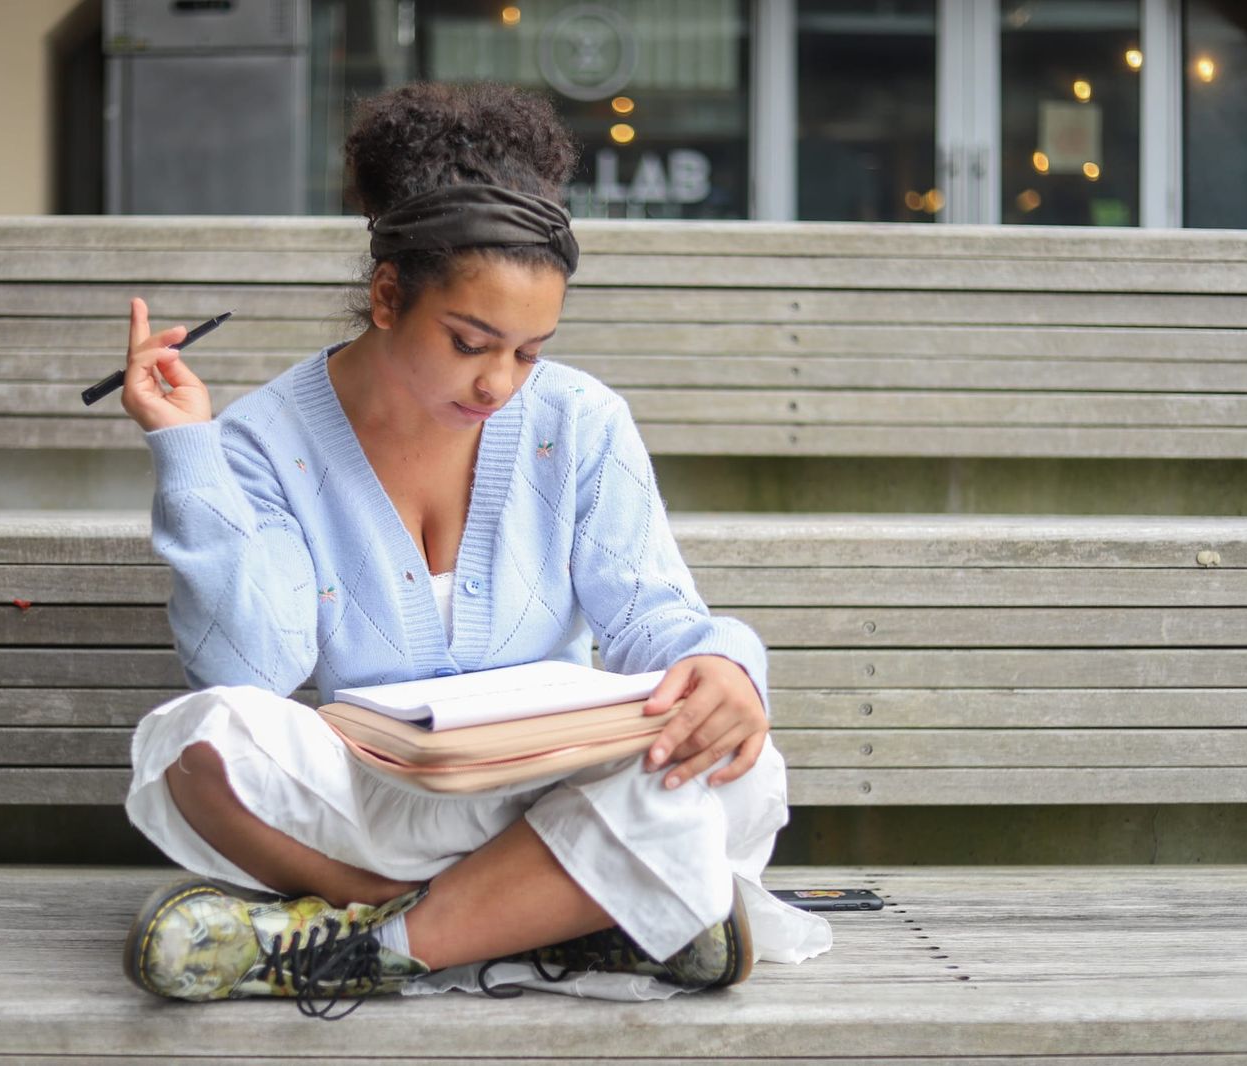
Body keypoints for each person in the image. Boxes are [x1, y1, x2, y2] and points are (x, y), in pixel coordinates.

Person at [117, 81, 831, 1018]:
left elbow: (651, 614)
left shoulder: (579, 419)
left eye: (529, 352)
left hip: (558, 795)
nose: (499, 382)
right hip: (385, 805)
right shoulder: (263, 441)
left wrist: (720, 666)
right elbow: (253, 665)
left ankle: (374, 947)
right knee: (198, 745)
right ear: (386, 297)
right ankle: (556, 925)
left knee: (739, 763)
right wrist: (189, 452)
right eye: (470, 342)